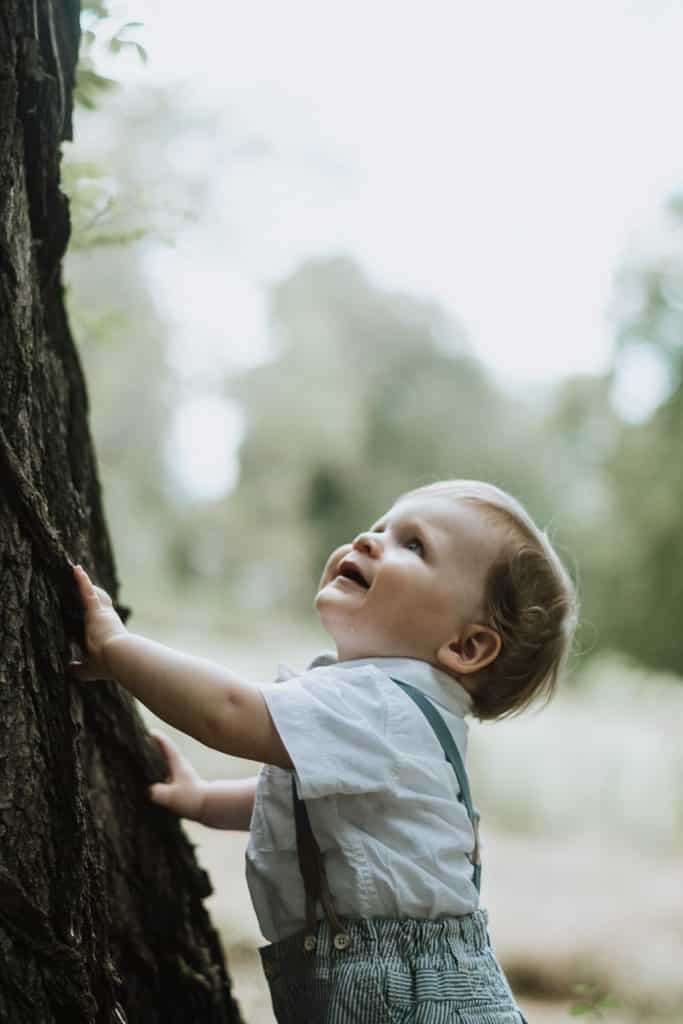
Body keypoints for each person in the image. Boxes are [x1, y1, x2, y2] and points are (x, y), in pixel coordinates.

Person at [68, 478, 578, 1023]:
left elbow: (229, 711)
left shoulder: (379, 705)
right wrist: (203, 800)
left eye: (414, 545)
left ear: (465, 645)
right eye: (381, 525)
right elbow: (314, 802)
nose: (368, 539)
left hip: (405, 999)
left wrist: (118, 651)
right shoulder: (394, 712)